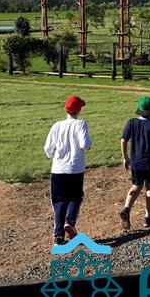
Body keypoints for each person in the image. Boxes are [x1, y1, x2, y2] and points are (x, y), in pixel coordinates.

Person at [44, 95, 93, 245]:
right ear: (78, 110)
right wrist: (89, 145)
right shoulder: (81, 124)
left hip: (58, 169)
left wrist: (54, 156)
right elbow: (85, 144)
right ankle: (70, 221)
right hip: (75, 168)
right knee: (75, 197)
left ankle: (58, 235)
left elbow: (48, 148)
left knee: (59, 201)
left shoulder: (57, 125)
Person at [119, 97, 150, 230]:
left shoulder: (131, 122)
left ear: (139, 109)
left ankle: (126, 209)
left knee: (136, 186)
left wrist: (125, 157)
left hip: (136, 163)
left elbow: (123, 140)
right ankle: (148, 218)